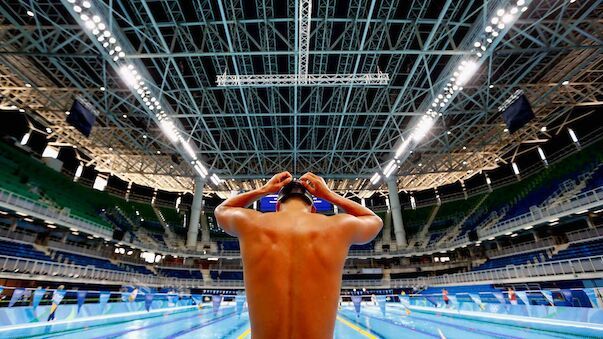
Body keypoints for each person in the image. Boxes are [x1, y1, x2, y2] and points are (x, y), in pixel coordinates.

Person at [215, 171, 383, 339]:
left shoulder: (252, 223)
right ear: (313, 209)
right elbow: (374, 221)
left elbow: (222, 209)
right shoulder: (338, 226)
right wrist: (330, 195)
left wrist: (264, 190)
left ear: (277, 206)